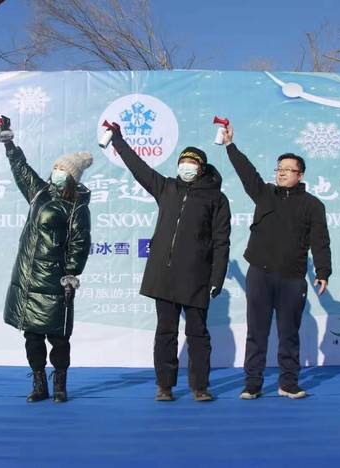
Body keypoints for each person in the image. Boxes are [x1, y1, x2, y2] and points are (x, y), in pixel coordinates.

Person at [109, 123, 231, 402]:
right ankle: (164, 385)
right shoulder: (166, 188)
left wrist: (217, 277)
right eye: (182, 162)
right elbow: (138, 168)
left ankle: (200, 387)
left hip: (196, 276)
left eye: (192, 163)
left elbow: (221, 240)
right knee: (166, 331)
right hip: (163, 274)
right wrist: (118, 140)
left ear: (201, 168)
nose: (186, 167)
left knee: (197, 333)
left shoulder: (216, 198)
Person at [223, 125, 331, 400]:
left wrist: (322, 271)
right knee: (256, 333)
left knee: (289, 334)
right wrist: (230, 146)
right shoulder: (265, 193)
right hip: (260, 274)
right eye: (279, 168)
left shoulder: (313, 205)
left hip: (292, 278)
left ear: (300, 175)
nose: (281, 173)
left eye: (288, 169)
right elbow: (247, 173)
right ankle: (252, 384)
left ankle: (288, 384)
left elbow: (320, 241)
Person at [0, 129, 92, 403]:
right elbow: (22, 170)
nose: (57, 173)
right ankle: (39, 383)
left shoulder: (76, 206)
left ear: (72, 177)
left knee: (59, 337)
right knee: (32, 335)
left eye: (63, 170)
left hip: (55, 280)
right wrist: (10, 145)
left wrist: (71, 274)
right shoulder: (40, 192)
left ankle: (60, 384)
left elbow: (80, 242)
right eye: (56, 168)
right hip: (28, 277)